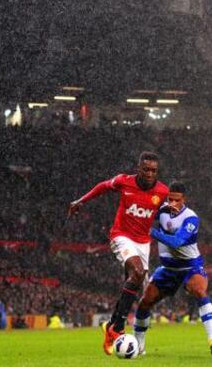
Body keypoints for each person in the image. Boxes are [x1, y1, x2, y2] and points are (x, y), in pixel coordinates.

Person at [68, 151, 169, 355]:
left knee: (141, 289)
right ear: (138, 168)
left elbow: (167, 210)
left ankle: (111, 325)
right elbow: (103, 186)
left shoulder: (162, 191)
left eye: (153, 171)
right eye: (146, 169)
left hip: (143, 243)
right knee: (137, 273)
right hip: (121, 236)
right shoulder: (124, 181)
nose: (149, 174)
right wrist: (81, 201)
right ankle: (118, 327)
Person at [133, 181, 212, 356]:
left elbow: (177, 242)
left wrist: (151, 231)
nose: (172, 203)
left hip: (190, 266)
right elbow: (141, 214)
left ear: (184, 199)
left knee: (200, 291)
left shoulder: (191, 218)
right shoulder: (162, 210)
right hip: (168, 268)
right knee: (145, 302)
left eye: (177, 200)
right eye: (170, 199)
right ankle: (139, 346)